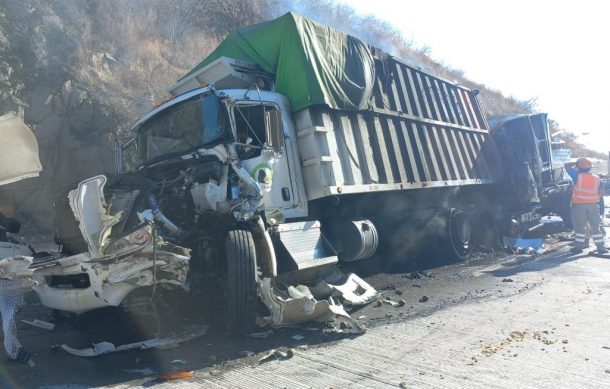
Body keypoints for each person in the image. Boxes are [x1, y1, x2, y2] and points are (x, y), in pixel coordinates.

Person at [565, 158, 607, 254]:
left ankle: (579, 248)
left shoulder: (577, 176)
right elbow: (602, 193)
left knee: (580, 227)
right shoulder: (597, 178)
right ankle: (601, 248)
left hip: (579, 205)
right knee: (595, 227)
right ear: (589, 168)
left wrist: (575, 163)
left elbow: (566, 166)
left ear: (579, 167)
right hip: (593, 205)